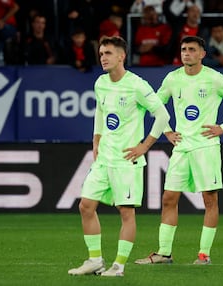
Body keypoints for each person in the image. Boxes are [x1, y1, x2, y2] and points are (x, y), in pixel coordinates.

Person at [135, 36, 223, 265]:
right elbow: (155, 106)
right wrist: (167, 131)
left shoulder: (214, 78)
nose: (186, 53)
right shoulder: (173, 78)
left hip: (206, 147)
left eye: (191, 50)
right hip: (181, 147)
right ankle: (164, 253)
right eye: (183, 49)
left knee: (209, 200)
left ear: (202, 54)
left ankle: (204, 255)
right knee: (169, 198)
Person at [67, 36, 170, 277]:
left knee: (126, 212)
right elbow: (101, 111)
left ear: (121, 56)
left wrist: (145, 146)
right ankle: (94, 260)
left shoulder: (137, 85)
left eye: (108, 53)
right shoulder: (101, 83)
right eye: (101, 53)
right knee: (85, 206)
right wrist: (96, 138)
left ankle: (119, 266)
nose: (103, 57)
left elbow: (163, 115)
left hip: (127, 160)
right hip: (105, 157)